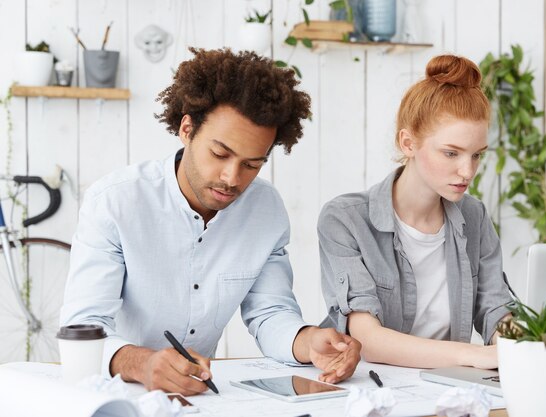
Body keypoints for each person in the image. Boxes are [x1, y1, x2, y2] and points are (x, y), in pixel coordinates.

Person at [60, 48, 360, 396]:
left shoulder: (265, 210)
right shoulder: (115, 202)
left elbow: (270, 313)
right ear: (187, 129)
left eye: (252, 164)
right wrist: (142, 363)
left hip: (200, 397)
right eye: (220, 154)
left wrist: (309, 342)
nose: (232, 179)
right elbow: (83, 328)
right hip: (113, 394)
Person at [317, 54, 512, 370]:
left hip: (450, 388)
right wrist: (475, 355)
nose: (467, 171)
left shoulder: (474, 217)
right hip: (374, 389)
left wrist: (520, 343)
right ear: (408, 143)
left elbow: (495, 307)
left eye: (476, 155)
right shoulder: (345, 220)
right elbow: (369, 338)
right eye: (451, 153)